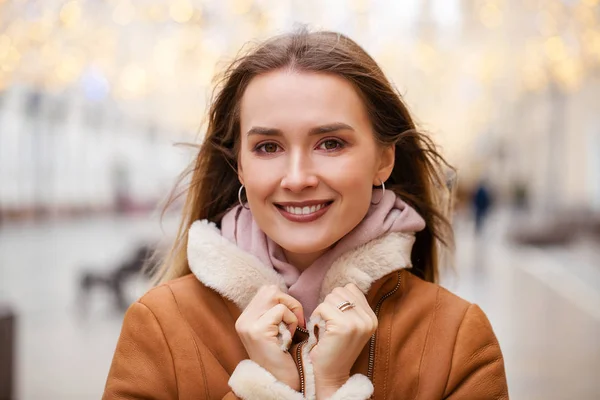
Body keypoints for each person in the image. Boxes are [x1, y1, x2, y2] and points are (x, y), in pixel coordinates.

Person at [103, 29, 508, 400]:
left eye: (330, 143)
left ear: (384, 159)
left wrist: (334, 387)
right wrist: (264, 388)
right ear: (240, 166)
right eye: (268, 147)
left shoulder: (456, 338)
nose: (297, 178)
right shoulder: (159, 324)